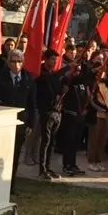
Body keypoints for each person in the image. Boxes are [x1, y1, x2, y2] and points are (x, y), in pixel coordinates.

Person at [0, 49, 35, 194]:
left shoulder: (28, 78)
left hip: (20, 123)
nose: (16, 65)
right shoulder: (0, 77)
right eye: (13, 61)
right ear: (8, 62)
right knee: (0, 154)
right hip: (2, 123)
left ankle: (10, 185)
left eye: (19, 61)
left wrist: (31, 124)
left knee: (14, 155)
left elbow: (32, 103)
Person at [35, 49, 63, 180]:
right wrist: (69, 67)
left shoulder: (54, 74)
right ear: (45, 59)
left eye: (55, 60)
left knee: (52, 141)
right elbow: (49, 79)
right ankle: (42, 169)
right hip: (45, 111)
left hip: (56, 111)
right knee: (45, 141)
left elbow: (57, 89)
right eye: (52, 59)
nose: (54, 62)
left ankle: (48, 166)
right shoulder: (40, 73)